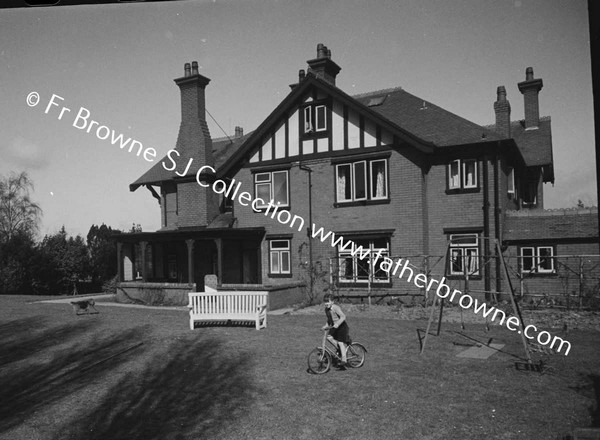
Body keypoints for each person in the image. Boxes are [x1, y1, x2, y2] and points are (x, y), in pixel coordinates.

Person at [321, 294, 351, 368]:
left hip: (342, 327)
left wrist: (337, 323)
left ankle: (344, 360)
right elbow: (329, 319)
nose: (326, 304)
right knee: (329, 337)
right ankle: (340, 349)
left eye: (328, 302)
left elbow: (343, 316)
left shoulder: (335, 308)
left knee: (341, 342)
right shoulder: (326, 309)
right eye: (325, 302)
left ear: (332, 302)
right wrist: (326, 325)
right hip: (334, 327)